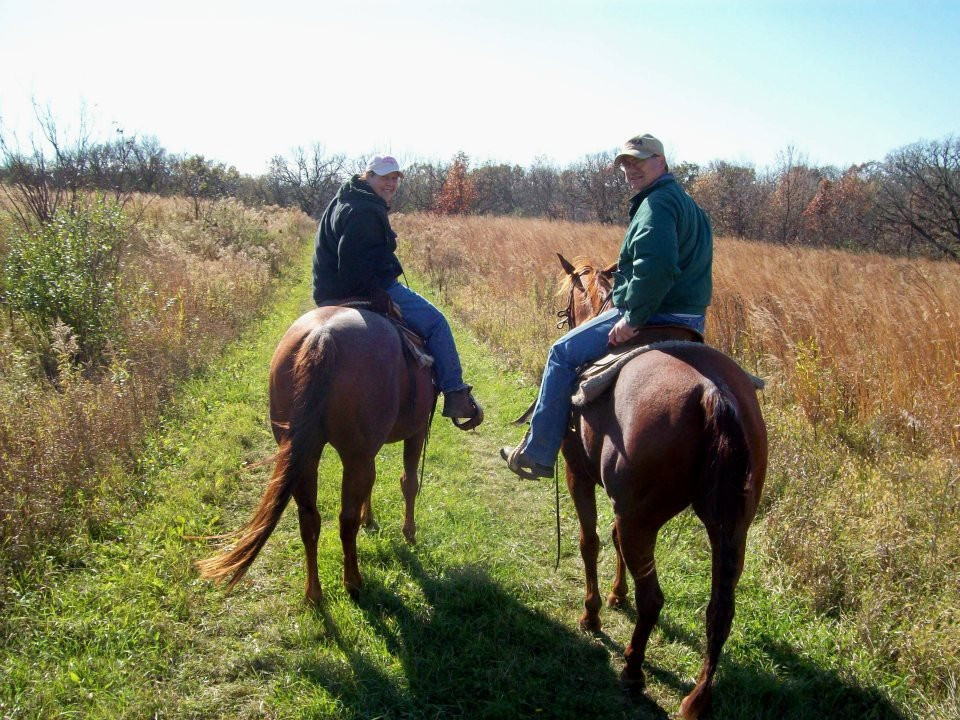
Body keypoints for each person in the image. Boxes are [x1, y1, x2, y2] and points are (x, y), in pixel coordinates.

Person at [501, 133, 712, 477]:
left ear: (662, 161)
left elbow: (656, 268)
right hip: (691, 321)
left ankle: (538, 452)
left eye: (639, 161)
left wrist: (632, 318)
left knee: (561, 352)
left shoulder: (656, 205)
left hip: (653, 313)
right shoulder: (692, 208)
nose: (631, 169)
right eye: (626, 163)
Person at [312, 155, 483, 430]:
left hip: (327, 295)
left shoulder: (343, 198)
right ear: (368, 175)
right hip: (362, 288)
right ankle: (455, 394)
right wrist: (375, 292)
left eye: (394, 178)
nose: (390, 183)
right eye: (384, 177)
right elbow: (352, 261)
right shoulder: (365, 209)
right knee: (437, 323)